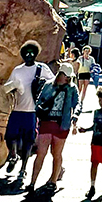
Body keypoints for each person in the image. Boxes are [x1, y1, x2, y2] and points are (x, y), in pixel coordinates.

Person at [3, 41, 54, 182]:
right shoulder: (18, 70)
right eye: (26, 53)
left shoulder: (41, 68)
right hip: (17, 109)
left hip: (32, 111)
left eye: (32, 53)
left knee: (28, 142)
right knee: (9, 136)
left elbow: (53, 84)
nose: (29, 55)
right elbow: (7, 87)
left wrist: (42, 85)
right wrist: (14, 86)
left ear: (36, 54)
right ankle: (13, 155)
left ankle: (23, 169)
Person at [27, 63, 80, 195]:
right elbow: (39, 101)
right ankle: (32, 182)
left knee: (56, 154)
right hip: (47, 122)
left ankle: (53, 181)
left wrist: (75, 115)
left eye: (69, 77)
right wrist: (39, 111)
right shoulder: (48, 85)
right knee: (41, 153)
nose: (68, 79)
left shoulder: (72, 88)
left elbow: (77, 103)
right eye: (66, 76)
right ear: (60, 74)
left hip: (61, 124)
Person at [79, 86, 102, 200]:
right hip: (95, 141)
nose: (101, 102)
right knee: (94, 163)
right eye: (100, 100)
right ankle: (92, 186)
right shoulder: (96, 112)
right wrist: (85, 130)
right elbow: (94, 126)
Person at [75, 45, 97, 111]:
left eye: (88, 51)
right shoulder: (80, 58)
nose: (86, 52)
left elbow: (94, 66)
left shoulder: (91, 59)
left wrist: (93, 70)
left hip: (87, 73)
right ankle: (77, 100)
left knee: (85, 88)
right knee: (79, 88)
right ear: (83, 51)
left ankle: (81, 101)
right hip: (81, 73)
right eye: (85, 51)